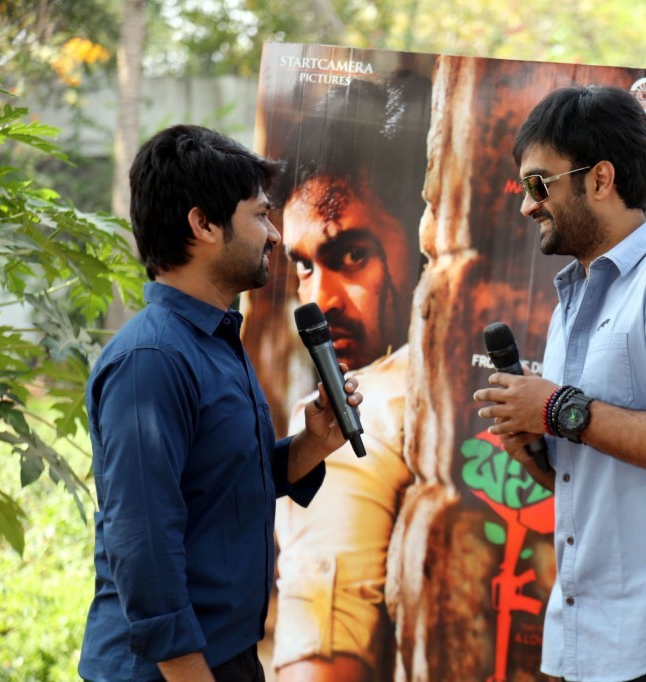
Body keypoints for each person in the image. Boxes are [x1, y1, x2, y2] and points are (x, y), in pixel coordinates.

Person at [474, 85, 646, 682]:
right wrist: (535, 450)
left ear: (600, 179)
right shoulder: (572, 302)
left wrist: (558, 409)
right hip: (589, 646)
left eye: (538, 184)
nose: (528, 207)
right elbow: (590, 479)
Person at [79, 124, 361, 682]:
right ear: (202, 224)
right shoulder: (151, 361)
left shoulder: (213, 341)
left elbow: (223, 485)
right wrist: (189, 670)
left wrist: (313, 444)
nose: (274, 235)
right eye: (260, 215)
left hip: (225, 653)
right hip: (170, 669)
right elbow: (143, 541)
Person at [268, 74, 431, 682]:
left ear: (424, 237)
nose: (320, 301)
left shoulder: (360, 421)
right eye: (304, 267)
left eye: (352, 255)